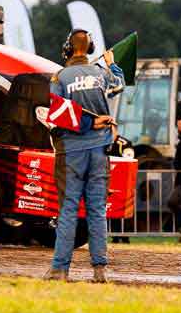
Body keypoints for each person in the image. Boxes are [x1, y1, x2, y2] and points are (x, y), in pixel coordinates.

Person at [44, 29, 124, 283]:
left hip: (72, 153)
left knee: (68, 210)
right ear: (89, 49)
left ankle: (59, 269)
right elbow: (120, 84)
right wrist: (113, 65)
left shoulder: (61, 77)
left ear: (69, 48)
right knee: (97, 210)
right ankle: (100, 270)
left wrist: (89, 124)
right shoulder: (102, 74)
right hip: (100, 151)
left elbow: (56, 118)